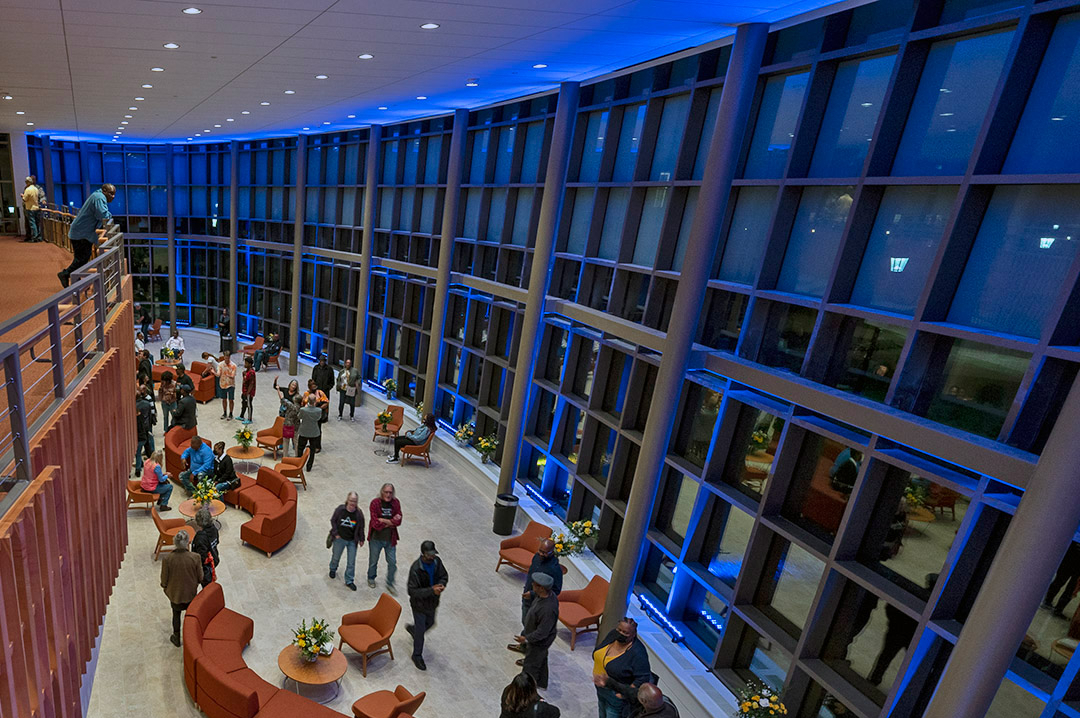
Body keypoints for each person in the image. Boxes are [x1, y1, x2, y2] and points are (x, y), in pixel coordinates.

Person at [509, 539, 562, 652]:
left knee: (533, 629)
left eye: (544, 552)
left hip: (538, 602)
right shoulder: (536, 558)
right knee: (526, 623)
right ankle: (525, 646)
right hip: (527, 598)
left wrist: (533, 594)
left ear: (552, 552)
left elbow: (556, 590)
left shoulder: (555, 569)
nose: (541, 554)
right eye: (540, 551)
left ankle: (529, 651)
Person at [593, 618, 652, 718]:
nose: (621, 633)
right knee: (601, 711)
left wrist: (625, 693)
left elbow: (643, 678)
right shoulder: (613, 635)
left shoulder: (638, 653)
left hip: (616, 693)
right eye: (619, 630)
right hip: (601, 687)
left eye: (625, 632)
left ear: (633, 635)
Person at [58, 183, 114, 287]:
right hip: (81, 234)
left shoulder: (97, 196)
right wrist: (110, 217)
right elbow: (102, 215)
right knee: (82, 259)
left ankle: (75, 280)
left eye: (114, 194)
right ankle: (65, 274)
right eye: (111, 193)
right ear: (104, 191)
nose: (113, 196)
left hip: (81, 233)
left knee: (82, 258)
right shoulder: (99, 198)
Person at [405, 540, 447, 671]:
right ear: (423, 554)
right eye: (429, 554)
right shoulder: (416, 569)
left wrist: (442, 584)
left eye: (433, 553)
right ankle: (417, 655)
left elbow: (444, 575)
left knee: (431, 623)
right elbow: (411, 591)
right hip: (419, 605)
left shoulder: (437, 562)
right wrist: (431, 590)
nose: (432, 556)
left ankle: (413, 629)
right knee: (420, 633)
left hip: (432, 603)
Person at [513, 573, 559, 690]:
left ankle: (526, 689)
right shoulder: (546, 595)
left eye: (535, 585)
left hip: (540, 641)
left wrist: (526, 639)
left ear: (542, 588)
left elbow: (542, 632)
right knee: (541, 658)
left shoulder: (548, 609)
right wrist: (532, 594)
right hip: (536, 637)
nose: (532, 584)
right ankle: (541, 683)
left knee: (531, 664)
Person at [160, 530, 202, 646]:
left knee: (176, 614)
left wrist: (166, 588)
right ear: (188, 541)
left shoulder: (167, 559)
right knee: (191, 617)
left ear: (175, 542)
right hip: (191, 593)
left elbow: (164, 580)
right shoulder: (195, 557)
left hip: (175, 594)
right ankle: (192, 638)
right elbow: (200, 577)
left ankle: (176, 637)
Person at [367, 483, 402, 593]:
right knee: (373, 561)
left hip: (390, 539)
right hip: (375, 539)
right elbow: (375, 524)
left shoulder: (396, 503)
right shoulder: (375, 503)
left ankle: (390, 583)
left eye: (390, 492)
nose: (388, 494)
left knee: (392, 562)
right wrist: (391, 522)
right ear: (382, 492)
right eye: (386, 492)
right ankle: (371, 578)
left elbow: (399, 520)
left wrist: (384, 520)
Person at [329, 491, 365, 592]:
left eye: (355, 501)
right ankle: (333, 568)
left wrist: (362, 538)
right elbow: (333, 520)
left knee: (351, 562)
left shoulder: (358, 514)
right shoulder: (340, 510)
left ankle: (349, 580)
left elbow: (361, 527)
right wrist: (336, 533)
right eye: (351, 501)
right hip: (340, 539)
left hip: (352, 541)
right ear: (347, 500)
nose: (353, 503)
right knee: (336, 556)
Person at [1045, 543, 1080, 617]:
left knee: (1061, 579)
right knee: (1071, 586)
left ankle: (1048, 601)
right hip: (1073, 548)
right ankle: (1058, 609)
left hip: (1072, 547)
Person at [192, 506, 220, 587]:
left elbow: (201, 557)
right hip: (214, 558)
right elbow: (217, 542)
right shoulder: (214, 529)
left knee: (207, 588)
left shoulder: (201, 537)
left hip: (205, 568)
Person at [274, 378, 301, 456]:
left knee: (286, 441)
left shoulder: (290, 405)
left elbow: (282, 399)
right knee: (296, 441)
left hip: (288, 424)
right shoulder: (299, 407)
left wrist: (278, 390)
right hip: (296, 425)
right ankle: (297, 456)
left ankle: (285, 456)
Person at [296, 396, 322, 471]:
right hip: (314, 432)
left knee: (300, 448)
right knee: (312, 450)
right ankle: (309, 466)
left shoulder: (303, 410)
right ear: (315, 401)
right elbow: (318, 418)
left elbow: (299, 417)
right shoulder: (318, 410)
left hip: (304, 431)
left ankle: (298, 464)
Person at [135, 385, 156, 474]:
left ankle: (138, 468)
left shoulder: (135, 406)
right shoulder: (147, 403)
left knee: (138, 451)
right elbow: (151, 413)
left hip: (139, 430)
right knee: (149, 445)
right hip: (147, 426)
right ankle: (153, 461)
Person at [215, 352, 237, 420]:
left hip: (231, 385)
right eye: (225, 357)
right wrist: (213, 372)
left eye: (228, 358)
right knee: (224, 399)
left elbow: (233, 375)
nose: (226, 359)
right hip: (223, 384)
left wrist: (227, 374)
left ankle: (231, 413)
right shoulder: (220, 364)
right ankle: (224, 413)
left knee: (231, 400)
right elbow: (218, 374)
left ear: (229, 357)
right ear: (224, 357)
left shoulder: (233, 365)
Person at [22, 176, 42, 243]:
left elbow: (25, 199)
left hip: (30, 208)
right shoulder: (36, 189)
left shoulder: (27, 189)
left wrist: (22, 196)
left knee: (32, 223)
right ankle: (38, 237)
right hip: (36, 207)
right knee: (37, 223)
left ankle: (34, 237)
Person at [239, 357, 256, 424]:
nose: (244, 364)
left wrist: (247, 393)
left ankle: (249, 419)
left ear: (250, 364)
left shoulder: (251, 373)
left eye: (246, 363)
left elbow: (251, 384)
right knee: (243, 403)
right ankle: (241, 416)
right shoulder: (246, 372)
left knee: (249, 405)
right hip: (244, 391)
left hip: (248, 392)